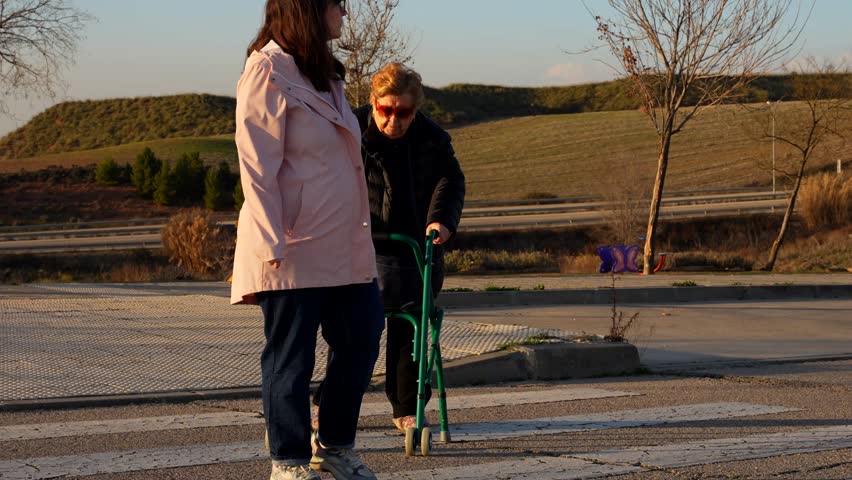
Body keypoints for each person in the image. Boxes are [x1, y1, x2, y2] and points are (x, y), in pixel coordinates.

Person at [230, 1, 383, 479]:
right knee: (290, 360)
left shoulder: (326, 75)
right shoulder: (267, 71)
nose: (345, 15)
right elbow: (256, 165)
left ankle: (335, 447)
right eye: (339, 4)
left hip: (344, 245)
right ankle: (289, 462)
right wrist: (272, 239)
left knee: (361, 339)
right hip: (292, 247)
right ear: (309, 9)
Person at [312, 63, 465, 433]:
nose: (393, 120)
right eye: (386, 110)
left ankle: (407, 408)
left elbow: (451, 180)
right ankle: (329, 405)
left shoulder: (432, 139)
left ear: (415, 109)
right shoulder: (349, 128)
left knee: (407, 331)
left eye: (403, 112)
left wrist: (440, 222)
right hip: (360, 245)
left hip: (414, 249)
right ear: (373, 103)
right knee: (354, 331)